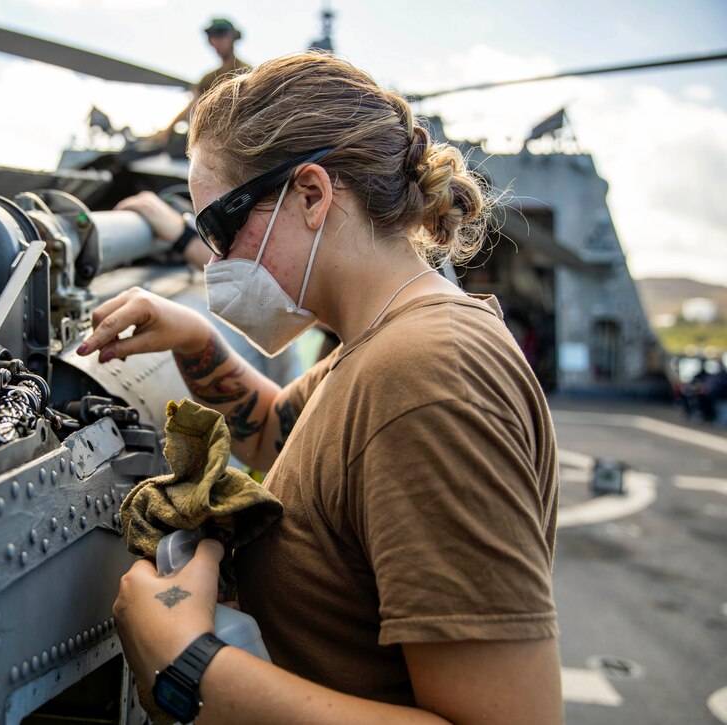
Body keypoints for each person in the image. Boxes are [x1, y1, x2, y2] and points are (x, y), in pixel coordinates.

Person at [78, 52, 562, 722]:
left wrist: (185, 662)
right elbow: (281, 431)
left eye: (220, 229)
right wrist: (194, 338)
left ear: (311, 193)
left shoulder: (427, 373)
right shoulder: (376, 346)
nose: (216, 266)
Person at [153, 18, 249, 147]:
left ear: (233, 37)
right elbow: (192, 105)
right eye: (212, 36)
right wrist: (167, 131)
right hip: (211, 143)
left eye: (221, 35)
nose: (217, 41)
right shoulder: (208, 79)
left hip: (240, 142)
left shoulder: (247, 72)